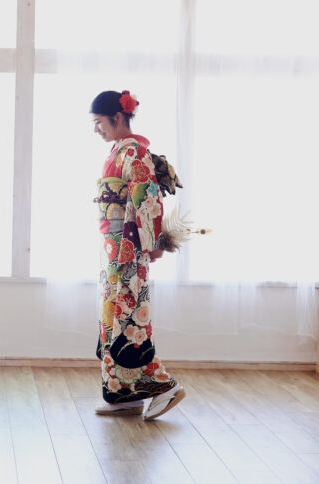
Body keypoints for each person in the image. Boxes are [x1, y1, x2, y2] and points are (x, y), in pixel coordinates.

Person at [90, 90, 185, 421]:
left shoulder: (134, 152)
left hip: (128, 248)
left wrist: (153, 241)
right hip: (114, 247)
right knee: (113, 319)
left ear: (117, 117)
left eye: (99, 122)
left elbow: (147, 198)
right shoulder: (120, 151)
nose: (96, 129)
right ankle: (124, 396)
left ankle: (164, 386)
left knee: (129, 321)